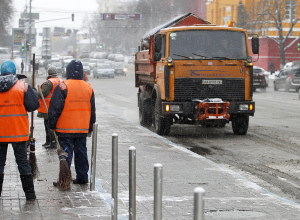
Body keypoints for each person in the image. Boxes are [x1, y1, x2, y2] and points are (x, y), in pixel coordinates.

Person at [48, 60, 96, 186]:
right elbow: (92, 110)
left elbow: (55, 108)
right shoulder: (88, 87)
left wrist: (51, 124)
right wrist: (90, 126)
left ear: (68, 71)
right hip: (82, 128)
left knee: (66, 153)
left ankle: (65, 179)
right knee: (81, 153)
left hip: (65, 128)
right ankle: (82, 177)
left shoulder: (63, 86)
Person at [0, 60, 39, 200]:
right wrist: (33, 92)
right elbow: (34, 105)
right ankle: (30, 194)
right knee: (23, 163)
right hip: (18, 133)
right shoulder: (23, 87)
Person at [37, 65, 62, 148]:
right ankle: (50, 141)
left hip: (47, 107)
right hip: (56, 107)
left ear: (49, 73)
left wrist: (35, 92)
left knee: (48, 125)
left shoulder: (49, 82)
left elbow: (42, 93)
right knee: (51, 125)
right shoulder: (60, 81)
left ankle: (52, 142)